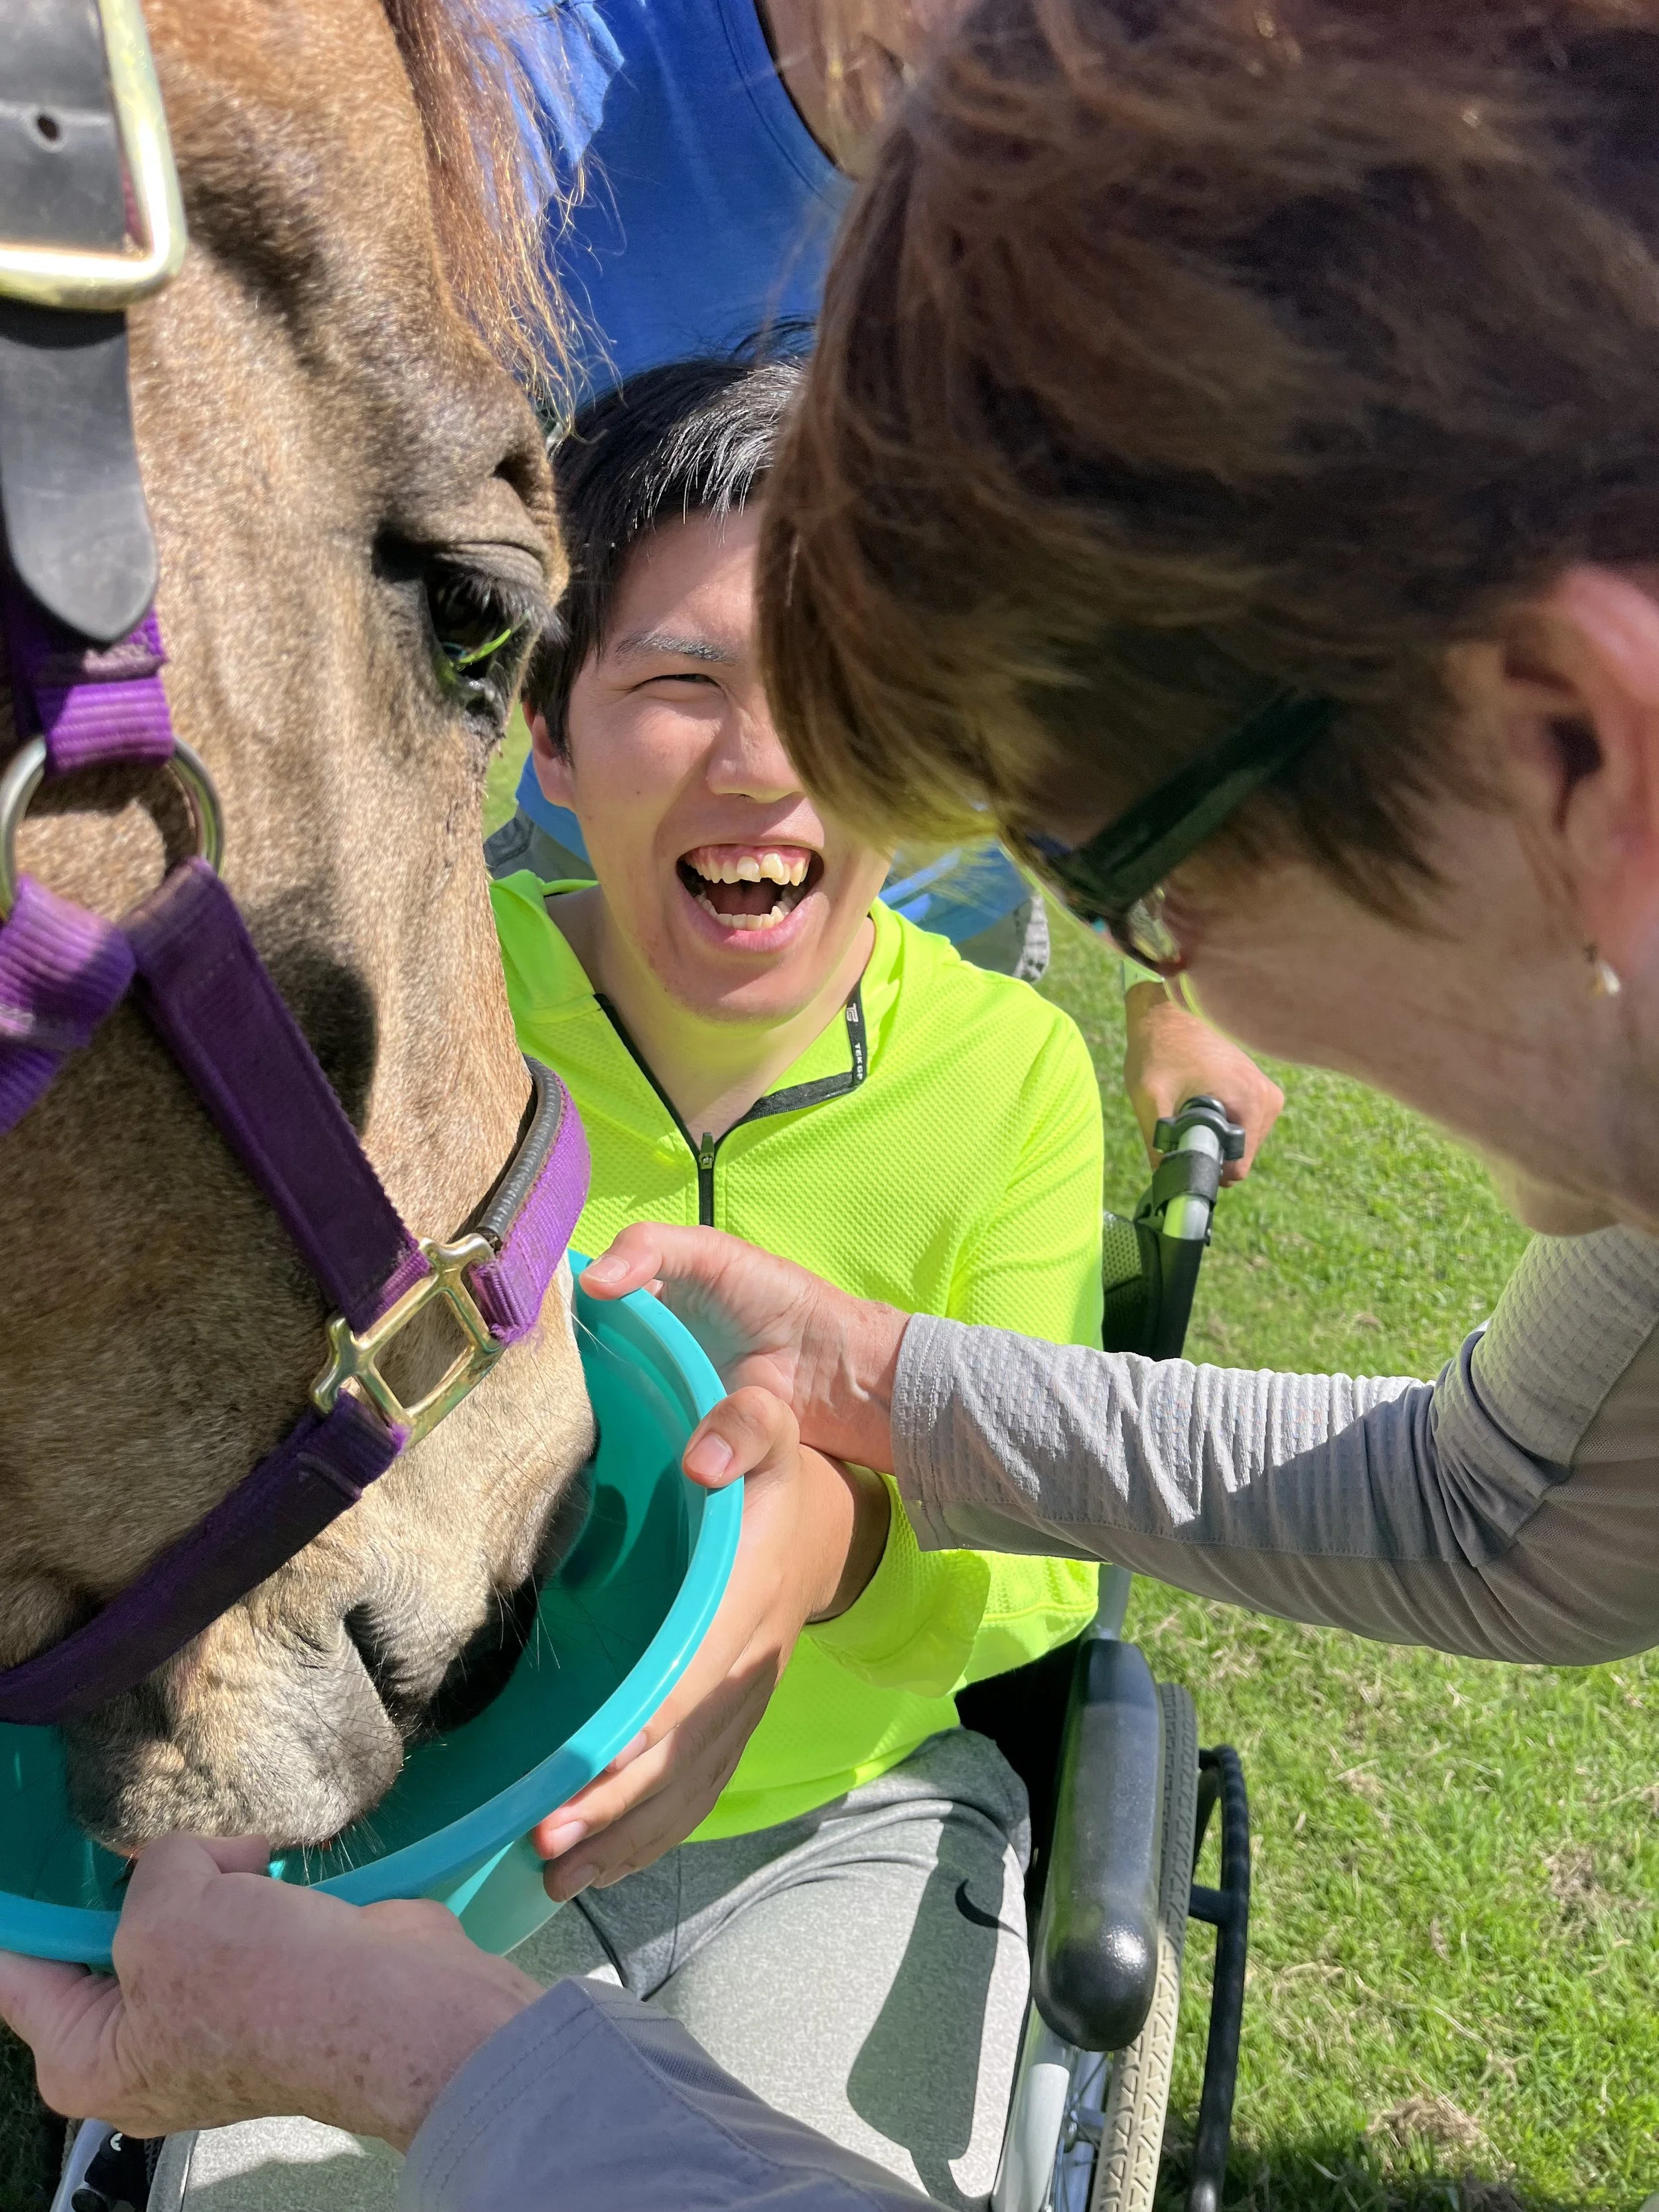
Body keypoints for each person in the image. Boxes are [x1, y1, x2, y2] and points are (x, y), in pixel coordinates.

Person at [13, 0, 1659, 2199]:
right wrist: (896, 1391)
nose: (1173, 974)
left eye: (1113, 867)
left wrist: (437, 2061)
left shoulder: (998, 1076)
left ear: (1579, 749)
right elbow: (1510, 1511)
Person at [155, 354, 1108, 2209]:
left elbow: (1048, 1549)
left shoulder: (1010, 1078)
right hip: (420, 1803)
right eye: (681, 682)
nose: (764, 761)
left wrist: (822, 1537)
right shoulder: (402, 1018)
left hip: (841, 1821)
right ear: (547, 733)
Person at [485, 0, 1285, 1169]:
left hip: (945, 933)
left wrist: (1181, 993)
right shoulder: (549, 72)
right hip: (601, 882)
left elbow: (1145, 617)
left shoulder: (1125, 173)